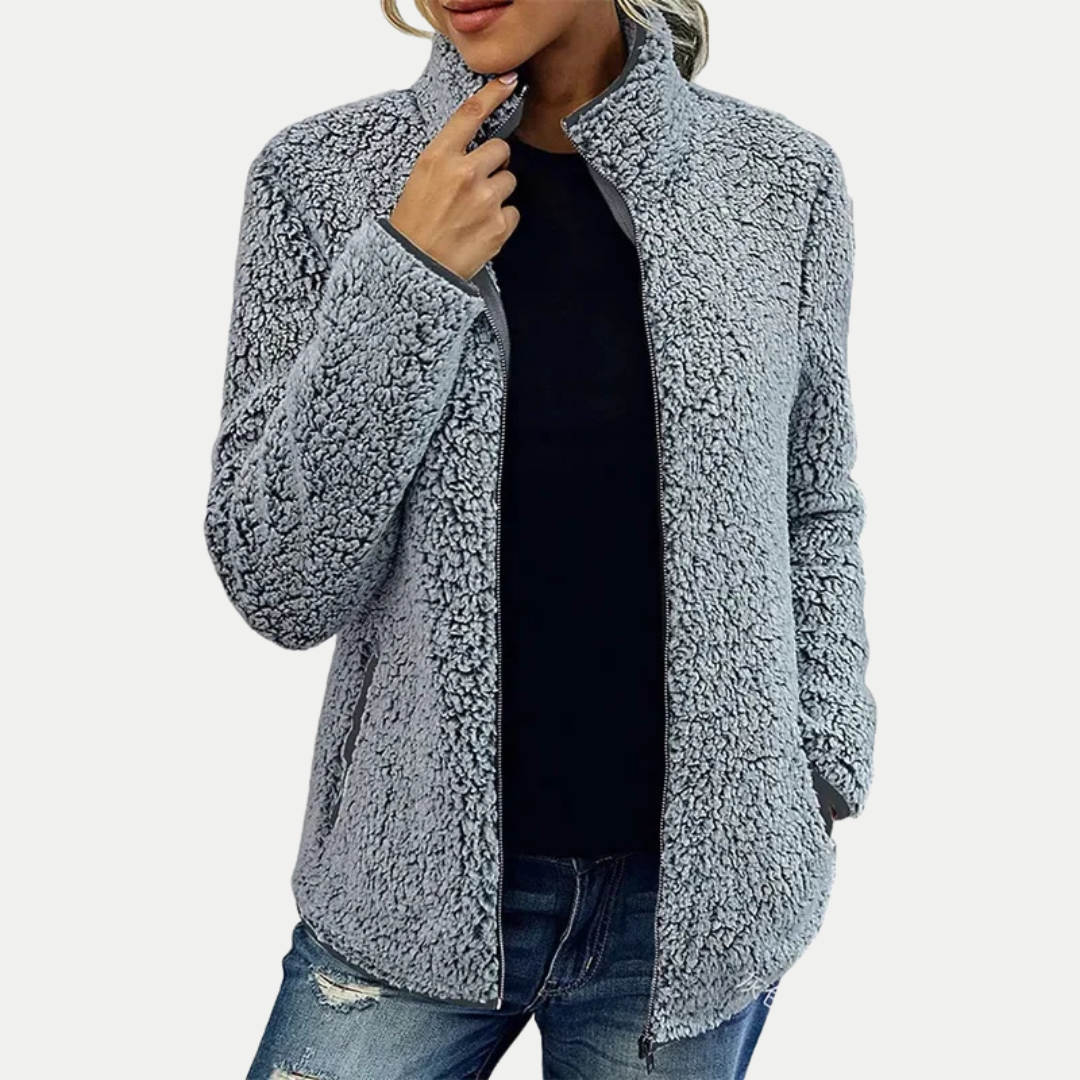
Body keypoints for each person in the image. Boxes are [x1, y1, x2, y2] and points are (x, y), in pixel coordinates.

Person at [204, 1, 876, 1076]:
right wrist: (408, 269)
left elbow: (813, 497)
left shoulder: (779, 181)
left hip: (697, 909)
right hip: (408, 892)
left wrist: (824, 760)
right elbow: (279, 580)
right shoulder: (319, 178)